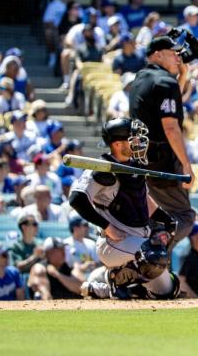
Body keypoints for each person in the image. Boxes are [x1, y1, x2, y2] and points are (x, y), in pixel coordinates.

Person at [69, 118, 181, 300]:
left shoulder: (134, 166)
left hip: (137, 241)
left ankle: (102, 289)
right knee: (154, 256)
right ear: (118, 144)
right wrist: (107, 226)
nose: (139, 142)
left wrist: (166, 220)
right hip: (114, 242)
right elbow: (76, 199)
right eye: (133, 138)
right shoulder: (102, 168)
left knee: (168, 291)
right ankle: (112, 277)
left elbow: (143, 199)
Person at [129, 36, 195, 243]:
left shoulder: (140, 79)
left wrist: (182, 78)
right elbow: (170, 126)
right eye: (173, 53)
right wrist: (186, 164)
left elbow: (167, 103)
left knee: (158, 216)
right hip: (164, 164)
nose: (178, 58)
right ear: (158, 54)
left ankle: (155, 263)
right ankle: (154, 247)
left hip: (141, 161)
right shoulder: (165, 83)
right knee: (183, 217)